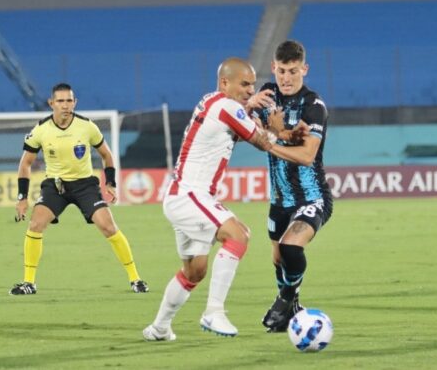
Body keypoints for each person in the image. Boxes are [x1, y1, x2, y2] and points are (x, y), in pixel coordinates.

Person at [143, 58, 280, 341]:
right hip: (191, 195)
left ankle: (159, 328)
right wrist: (276, 129)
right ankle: (214, 311)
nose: (248, 90)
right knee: (239, 235)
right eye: (244, 84)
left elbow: (237, 128)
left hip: (182, 195)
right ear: (224, 82)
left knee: (194, 271)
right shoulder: (228, 107)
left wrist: (248, 106)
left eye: (252, 85)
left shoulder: (215, 101)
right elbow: (263, 143)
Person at [9, 83, 149, 295]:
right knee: (36, 224)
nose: (65, 105)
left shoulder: (87, 127)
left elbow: (106, 155)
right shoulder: (41, 130)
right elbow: (25, 164)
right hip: (55, 186)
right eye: (60, 101)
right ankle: (29, 282)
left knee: (108, 227)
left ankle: (135, 279)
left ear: (75, 102)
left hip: (85, 185)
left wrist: (110, 183)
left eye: (69, 100)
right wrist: (22, 198)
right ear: (51, 103)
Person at [246, 40, 333, 332]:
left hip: (312, 197)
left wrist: (271, 138)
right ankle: (291, 308)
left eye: (293, 71)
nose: (286, 77)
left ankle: (284, 299)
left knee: (290, 249)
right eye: (282, 70)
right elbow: (246, 131)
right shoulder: (267, 97)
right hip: (279, 199)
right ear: (273, 68)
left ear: (304, 70)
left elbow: (307, 156)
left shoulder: (314, 106)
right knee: (279, 259)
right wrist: (247, 107)